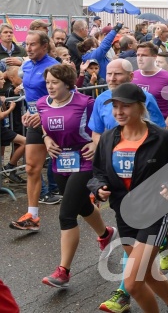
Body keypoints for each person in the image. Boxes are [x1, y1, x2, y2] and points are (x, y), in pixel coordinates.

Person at [88, 83, 168, 313]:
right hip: (124, 214)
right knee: (148, 272)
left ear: (140, 107)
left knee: (133, 283)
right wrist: (99, 188)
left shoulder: (161, 138)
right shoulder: (107, 139)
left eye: (125, 106)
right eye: (115, 106)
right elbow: (98, 173)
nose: (119, 111)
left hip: (155, 212)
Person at [36, 64, 117, 288]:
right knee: (81, 205)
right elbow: (42, 127)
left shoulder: (85, 103)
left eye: (55, 82)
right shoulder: (42, 104)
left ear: (68, 83)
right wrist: (46, 138)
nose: (50, 87)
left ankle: (63, 271)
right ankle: (106, 233)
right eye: (48, 83)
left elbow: (100, 126)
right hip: (59, 162)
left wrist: (94, 142)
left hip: (85, 161)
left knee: (66, 214)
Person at [9, 31, 60, 231]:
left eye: (33, 45)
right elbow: (26, 85)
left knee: (67, 171)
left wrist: (44, 112)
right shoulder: (26, 65)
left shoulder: (54, 66)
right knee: (31, 168)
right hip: (35, 123)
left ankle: (88, 206)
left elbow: (68, 94)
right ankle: (33, 216)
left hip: (56, 121)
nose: (28, 48)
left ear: (44, 46)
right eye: (26, 44)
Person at [132, 42, 168, 131]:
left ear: (154, 57)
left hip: (161, 127)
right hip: (137, 126)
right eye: (138, 55)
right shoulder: (133, 75)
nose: (140, 58)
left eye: (144, 55)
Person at [0, 72, 26, 184]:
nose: (4, 81)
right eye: (1, 79)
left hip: (4, 128)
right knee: (26, 141)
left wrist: (4, 104)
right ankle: (9, 167)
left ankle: (8, 169)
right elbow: (1, 115)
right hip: (2, 129)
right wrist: (11, 108)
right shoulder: (9, 90)